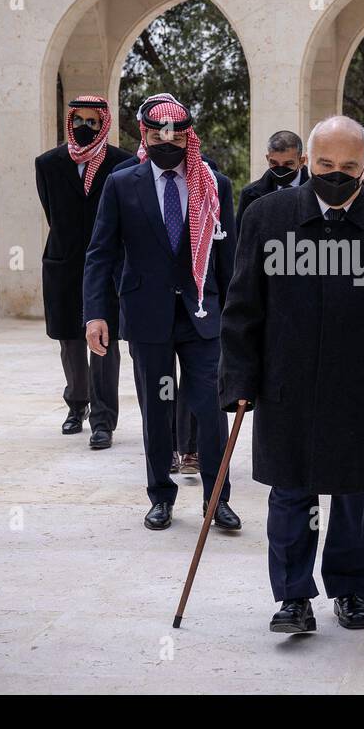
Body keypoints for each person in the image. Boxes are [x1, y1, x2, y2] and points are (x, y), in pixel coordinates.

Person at [220, 115, 364, 633]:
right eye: (323, 164)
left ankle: (352, 590)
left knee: (358, 495)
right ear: (305, 164)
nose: (334, 174)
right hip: (286, 385)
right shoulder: (266, 217)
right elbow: (242, 305)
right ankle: (293, 598)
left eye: (346, 166)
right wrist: (240, 381)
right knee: (290, 492)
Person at [83, 93, 240, 531]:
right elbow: (100, 253)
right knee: (157, 407)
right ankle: (161, 497)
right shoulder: (121, 183)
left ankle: (217, 499)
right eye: (157, 133)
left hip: (203, 314)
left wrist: (237, 318)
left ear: (187, 134)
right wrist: (96, 313)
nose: (165, 141)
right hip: (146, 314)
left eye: (174, 133)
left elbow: (229, 257)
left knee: (210, 408)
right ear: (143, 134)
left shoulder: (214, 184)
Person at [35, 95, 132, 449]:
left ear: (104, 123)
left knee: (104, 343)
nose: (85, 128)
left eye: (94, 122)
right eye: (80, 120)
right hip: (64, 263)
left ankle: (103, 419)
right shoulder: (48, 164)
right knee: (70, 341)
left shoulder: (122, 164)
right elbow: (52, 213)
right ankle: (76, 404)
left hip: (107, 266)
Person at [236, 129, 308, 229]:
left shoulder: (319, 190)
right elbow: (242, 237)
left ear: (301, 162)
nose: (281, 168)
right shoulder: (250, 195)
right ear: (267, 158)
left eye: (288, 164)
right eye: (274, 163)